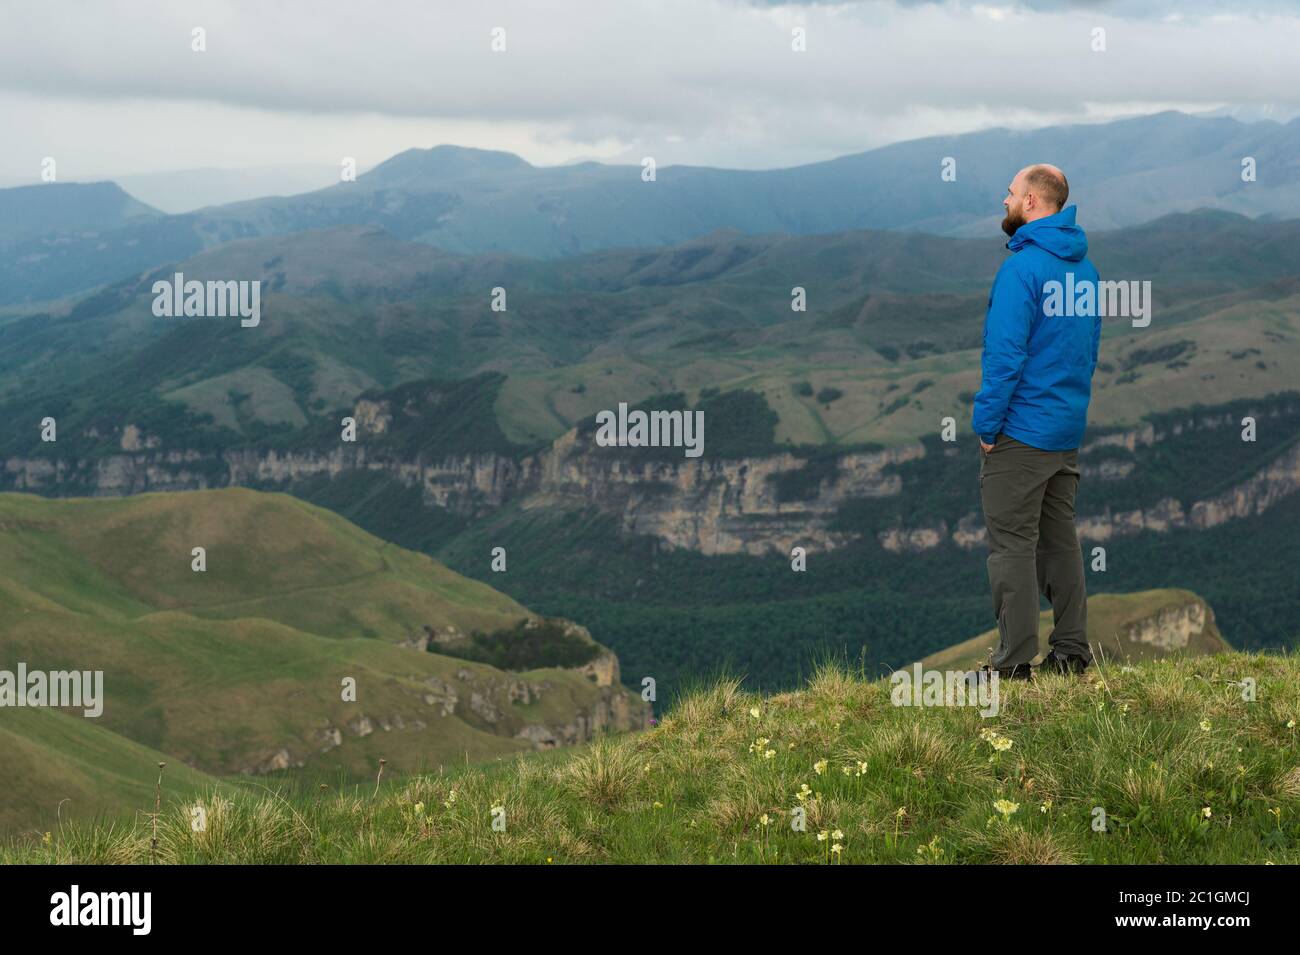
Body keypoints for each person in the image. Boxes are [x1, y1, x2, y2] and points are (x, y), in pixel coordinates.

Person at [971, 164, 1101, 679]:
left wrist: (987, 426)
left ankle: (1012, 665)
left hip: (1021, 432)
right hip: (1065, 428)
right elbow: (1086, 351)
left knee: (1011, 548)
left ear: (1029, 202)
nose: (1003, 201)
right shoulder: (1085, 269)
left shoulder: (1021, 270)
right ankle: (1071, 653)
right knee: (1061, 542)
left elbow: (1005, 358)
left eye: (1009, 193)